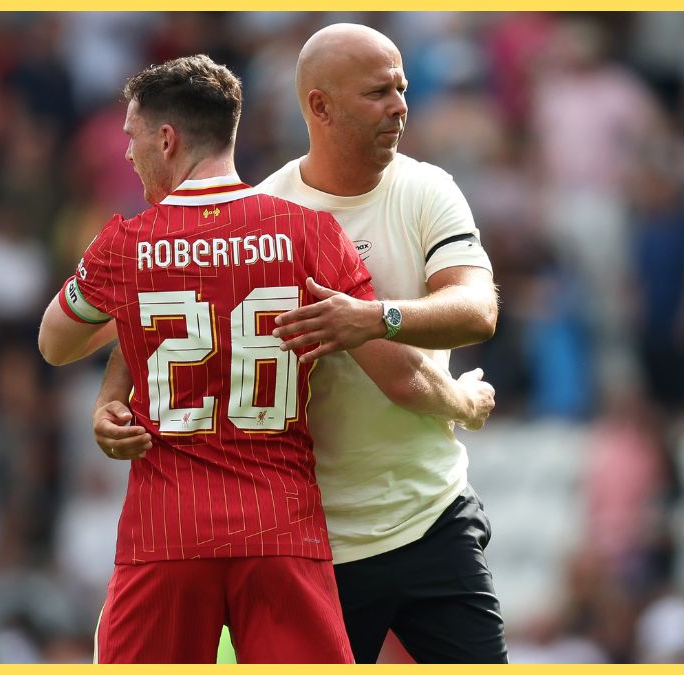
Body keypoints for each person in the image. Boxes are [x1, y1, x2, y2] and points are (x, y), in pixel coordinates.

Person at [37, 54, 493, 664]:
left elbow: (54, 343)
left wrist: (116, 362)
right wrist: (464, 400)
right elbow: (397, 371)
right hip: (281, 525)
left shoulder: (126, 244)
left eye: (132, 136)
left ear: (167, 139)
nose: (127, 153)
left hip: (167, 528)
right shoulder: (308, 232)